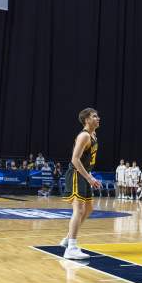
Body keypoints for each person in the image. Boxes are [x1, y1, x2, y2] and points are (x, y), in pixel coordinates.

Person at [59, 108, 102, 259]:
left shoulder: (93, 135)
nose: (98, 118)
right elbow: (74, 159)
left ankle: (67, 239)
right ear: (86, 120)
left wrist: (90, 176)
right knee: (79, 209)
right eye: (94, 116)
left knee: (88, 208)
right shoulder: (84, 135)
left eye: (97, 116)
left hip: (84, 174)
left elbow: (85, 160)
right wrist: (89, 178)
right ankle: (71, 247)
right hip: (76, 174)